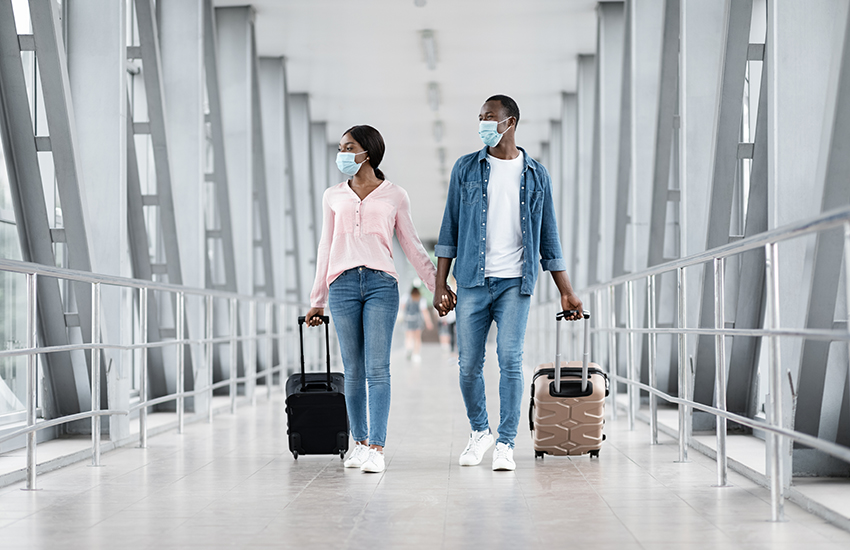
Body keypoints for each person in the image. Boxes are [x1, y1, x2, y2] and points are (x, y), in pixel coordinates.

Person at [433, 95, 583, 471]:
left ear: (510, 122)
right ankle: (480, 430)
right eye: (480, 117)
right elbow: (448, 230)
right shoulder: (465, 169)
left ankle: (505, 442)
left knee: (510, 360)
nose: (483, 123)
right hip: (471, 280)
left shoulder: (536, 174)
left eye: (489, 117)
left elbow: (549, 237)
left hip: (515, 282)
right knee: (468, 364)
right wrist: (439, 285)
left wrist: (565, 290)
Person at [306, 125, 452, 474]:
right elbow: (326, 247)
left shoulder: (395, 195)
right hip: (341, 284)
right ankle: (358, 442)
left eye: (348, 146)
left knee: (377, 369)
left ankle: (377, 447)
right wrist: (317, 299)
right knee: (353, 370)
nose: (342, 153)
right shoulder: (333, 196)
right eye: (340, 147)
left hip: (380, 285)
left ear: (367, 153)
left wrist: (437, 286)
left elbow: (413, 245)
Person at [402, 286, 433, 363]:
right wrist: (428, 322)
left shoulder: (406, 297)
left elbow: (402, 307)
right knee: (417, 338)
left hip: (408, 319)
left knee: (408, 336)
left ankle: (409, 348)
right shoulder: (421, 299)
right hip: (417, 320)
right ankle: (416, 354)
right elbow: (424, 311)